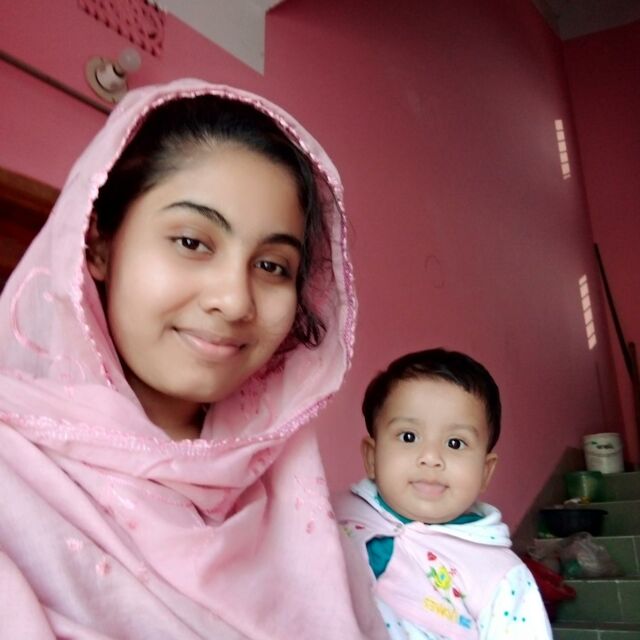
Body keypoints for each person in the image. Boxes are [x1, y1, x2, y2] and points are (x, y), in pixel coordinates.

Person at [0, 79, 388, 639]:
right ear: (99, 243)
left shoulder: (295, 501)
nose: (234, 300)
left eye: (273, 266)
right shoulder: (15, 472)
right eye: (192, 242)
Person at [333, 348, 552, 639]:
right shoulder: (330, 515)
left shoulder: (501, 576)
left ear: (485, 471)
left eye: (455, 443)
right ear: (372, 457)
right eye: (408, 437)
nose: (431, 458)